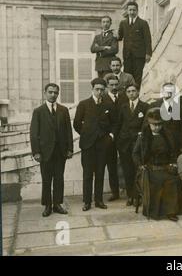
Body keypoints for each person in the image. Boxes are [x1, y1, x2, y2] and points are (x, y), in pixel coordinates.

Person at [132, 108, 182, 221]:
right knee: (158, 181)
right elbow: (135, 154)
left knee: (172, 180)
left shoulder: (167, 135)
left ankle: (171, 212)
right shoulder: (143, 137)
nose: (157, 127)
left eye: (159, 125)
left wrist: (173, 163)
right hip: (150, 169)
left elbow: (173, 153)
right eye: (154, 125)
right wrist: (140, 166)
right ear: (149, 123)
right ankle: (156, 212)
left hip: (165, 167)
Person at [73, 78, 117, 211]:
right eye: (97, 89)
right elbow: (76, 124)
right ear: (92, 89)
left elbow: (114, 123)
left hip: (103, 145)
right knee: (87, 174)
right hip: (88, 145)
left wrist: (110, 136)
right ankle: (87, 202)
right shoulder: (83, 104)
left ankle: (99, 200)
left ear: (105, 90)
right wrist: (86, 134)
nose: (99, 92)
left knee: (100, 173)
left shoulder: (108, 105)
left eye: (102, 90)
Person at [30, 83, 73, 217]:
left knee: (59, 178)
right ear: (45, 93)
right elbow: (34, 133)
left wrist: (70, 149)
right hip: (45, 152)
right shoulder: (38, 111)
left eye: (55, 92)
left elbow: (68, 131)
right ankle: (47, 205)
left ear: (58, 94)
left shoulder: (63, 110)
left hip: (60, 151)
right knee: (46, 179)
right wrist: (36, 152)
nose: (53, 94)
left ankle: (57, 204)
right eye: (50, 92)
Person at [116, 84, 150, 206]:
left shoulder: (145, 107)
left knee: (138, 170)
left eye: (133, 91)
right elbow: (118, 125)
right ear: (126, 93)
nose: (131, 93)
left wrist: (141, 138)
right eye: (129, 91)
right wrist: (119, 141)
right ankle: (130, 196)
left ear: (138, 92)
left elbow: (146, 125)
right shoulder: (123, 107)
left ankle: (138, 196)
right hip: (125, 144)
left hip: (138, 144)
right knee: (127, 171)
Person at [117, 1, 152, 88]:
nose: (132, 12)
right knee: (127, 77)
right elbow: (119, 37)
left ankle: (136, 97)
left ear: (137, 11)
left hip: (139, 56)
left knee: (137, 77)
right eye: (130, 10)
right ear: (127, 11)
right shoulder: (123, 23)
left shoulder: (143, 23)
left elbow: (148, 39)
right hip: (127, 55)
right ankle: (128, 98)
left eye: (134, 10)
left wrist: (148, 53)